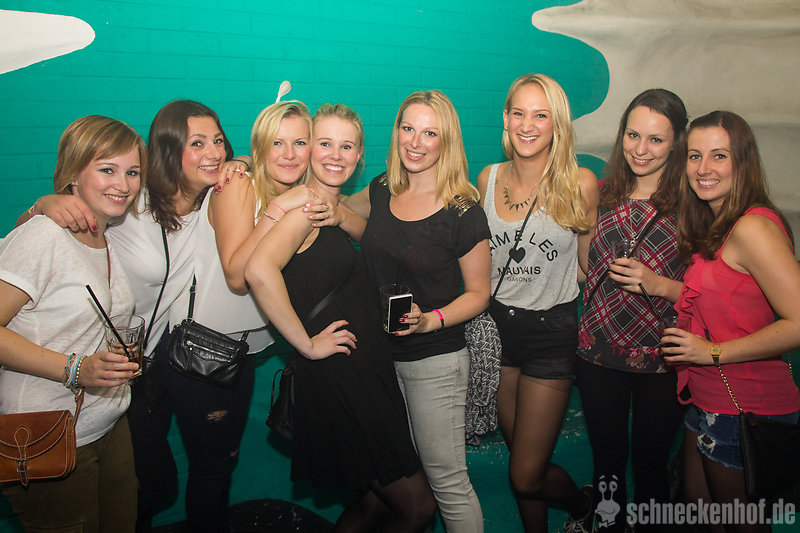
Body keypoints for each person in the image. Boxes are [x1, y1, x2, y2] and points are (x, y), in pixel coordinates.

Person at [23, 100, 312, 532]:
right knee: (146, 483)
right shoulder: (130, 203)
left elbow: (254, 165)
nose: (213, 151)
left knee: (142, 484)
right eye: (197, 143)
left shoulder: (207, 202)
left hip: (150, 363)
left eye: (218, 141)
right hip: (91, 366)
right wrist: (43, 204)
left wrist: (242, 162)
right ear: (168, 150)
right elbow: (42, 234)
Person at [245, 103, 435, 532]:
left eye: (346, 146)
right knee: (417, 508)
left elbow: (373, 236)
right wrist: (307, 344)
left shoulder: (334, 207)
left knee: (374, 502)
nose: (335, 155)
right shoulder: (304, 210)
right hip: (342, 374)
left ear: (359, 154)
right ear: (309, 149)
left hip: (364, 368)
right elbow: (257, 270)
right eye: (325, 143)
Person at [343, 90, 490, 532]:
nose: (415, 141)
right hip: (380, 359)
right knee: (401, 475)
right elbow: (367, 230)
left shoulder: (463, 210)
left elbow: (479, 294)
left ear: (447, 141)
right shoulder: (383, 187)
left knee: (447, 482)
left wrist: (430, 320)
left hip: (435, 361)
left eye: (430, 133)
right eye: (408, 128)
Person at [0, 115, 143, 532]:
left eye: (132, 172)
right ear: (73, 175)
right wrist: (76, 368)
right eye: (107, 169)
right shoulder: (44, 236)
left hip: (107, 421)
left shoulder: (104, 232)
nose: (123, 184)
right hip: (45, 431)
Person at [663, 110, 800, 532]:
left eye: (718, 156)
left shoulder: (752, 227)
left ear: (742, 161)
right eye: (695, 156)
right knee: (703, 511)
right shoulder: (719, 225)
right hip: (708, 401)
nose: (703, 168)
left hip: (742, 406)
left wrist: (713, 351)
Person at [475, 73, 599, 533]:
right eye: (519, 113)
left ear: (557, 124)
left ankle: (583, 506)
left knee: (527, 473)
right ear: (506, 119)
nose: (528, 125)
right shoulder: (487, 178)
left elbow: (587, 267)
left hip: (551, 335)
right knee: (519, 465)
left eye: (540, 115)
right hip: (497, 334)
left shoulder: (580, 183)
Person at [576, 89, 688, 532]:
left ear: (676, 143)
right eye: (632, 134)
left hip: (663, 358)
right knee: (606, 463)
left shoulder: (693, 205)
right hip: (597, 354)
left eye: (656, 139)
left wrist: (660, 284)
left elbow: (715, 292)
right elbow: (586, 268)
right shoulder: (602, 195)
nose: (641, 149)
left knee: (650, 465)